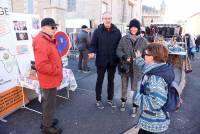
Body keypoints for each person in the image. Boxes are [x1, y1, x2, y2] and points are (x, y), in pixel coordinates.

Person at [133, 43, 175, 134]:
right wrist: (139, 58)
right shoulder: (160, 68)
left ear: (152, 57)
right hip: (155, 120)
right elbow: (145, 66)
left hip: (153, 123)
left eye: (146, 54)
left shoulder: (155, 78)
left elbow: (156, 102)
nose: (144, 56)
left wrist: (135, 96)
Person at [32, 18, 63, 134]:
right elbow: (41, 65)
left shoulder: (46, 39)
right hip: (48, 79)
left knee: (49, 102)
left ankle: (47, 121)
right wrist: (57, 70)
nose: (55, 29)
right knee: (49, 103)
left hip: (50, 78)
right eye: (52, 27)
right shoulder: (41, 41)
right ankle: (47, 127)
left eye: (55, 27)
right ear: (44, 28)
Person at [89, 12, 121, 109]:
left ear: (111, 19)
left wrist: (120, 58)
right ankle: (98, 99)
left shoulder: (117, 31)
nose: (107, 20)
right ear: (103, 19)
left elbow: (120, 46)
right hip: (101, 61)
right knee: (100, 80)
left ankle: (110, 99)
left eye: (109, 18)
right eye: (106, 18)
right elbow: (93, 44)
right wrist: (92, 52)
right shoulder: (97, 31)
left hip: (112, 61)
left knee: (111, 81)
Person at [116, 19, 148, 116]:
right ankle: (123, 101)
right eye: (132, 27)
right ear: (130, 28)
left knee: (135, 88)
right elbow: (118, 50)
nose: (133, 29)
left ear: (138, 29)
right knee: (124, 86)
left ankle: (134, 106)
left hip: (137, 69)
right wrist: (124, 57)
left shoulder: (143, 41)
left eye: (135, 28)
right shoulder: (124, 39)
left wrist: (142, 62)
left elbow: (146, 55)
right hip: (125, 67)